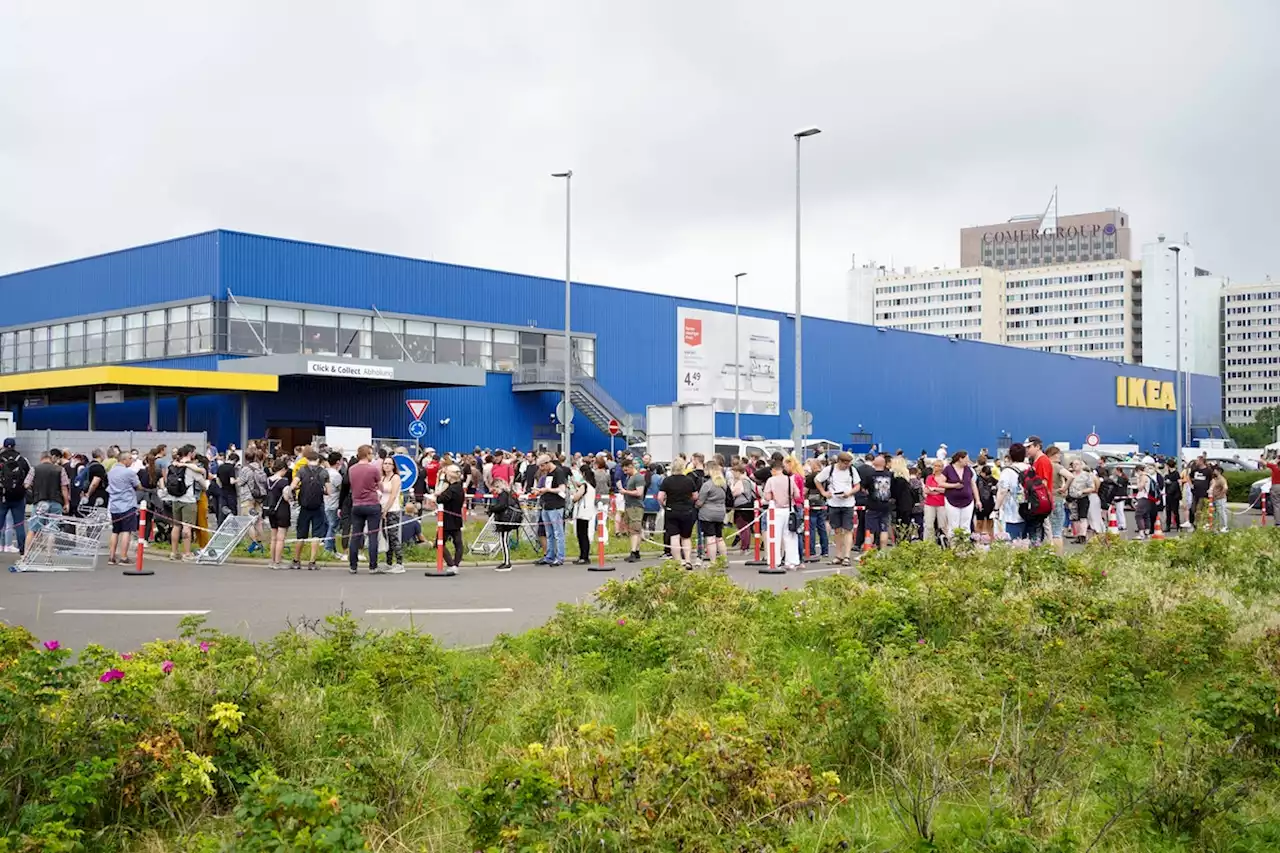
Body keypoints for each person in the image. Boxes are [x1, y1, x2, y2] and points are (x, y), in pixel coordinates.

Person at [164, 445, 206, 562]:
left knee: (176, 526)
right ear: (190, 453)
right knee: (187, 527)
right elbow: (203, 484)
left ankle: (174, 552)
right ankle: (186, 553)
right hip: (188, 500)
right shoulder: (191, 468)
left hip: (175, 499)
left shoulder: (173, 465)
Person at [816, 452, 857, 566]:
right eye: (845, 463)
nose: (847, 465)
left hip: (848, 503)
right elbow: (817, 480)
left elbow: (858, 485)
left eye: (849, 463)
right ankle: (838, 555)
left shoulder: (852, 470)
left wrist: (850, 492)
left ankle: (847, 556)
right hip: (834, 503)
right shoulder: (830, 470)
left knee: (848, 530)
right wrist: (824, 492)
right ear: (839, 461)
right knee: (837, 530)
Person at [289, 449, 327, 570]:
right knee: (316, 535)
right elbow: (329, 491)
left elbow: (293, 485)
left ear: (307, 459)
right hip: (318, 506)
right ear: (318, 460)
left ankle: (296, 560)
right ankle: (312, 562)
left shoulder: (302, 470)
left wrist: (298, 488)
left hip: (304, 506)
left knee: (301, 535)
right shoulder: (323, 472)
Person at [347, 444, 383, 574]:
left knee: (356, 535)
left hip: (357, 504)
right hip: (372, 503)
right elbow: (380, 486)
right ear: (367, 454)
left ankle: (353, 565)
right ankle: (373, 566)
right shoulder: (373, 469)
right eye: (371, 453)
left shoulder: (351, 469)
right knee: (373, 535)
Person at [760, 457, 801, 569]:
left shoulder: (771, 480)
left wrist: (774, 496)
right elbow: (797, 495)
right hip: (789, 510)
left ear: (773, 470)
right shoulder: (789, 480)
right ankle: (791, 562)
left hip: (775, 511)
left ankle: (774, 561)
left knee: (774, 536)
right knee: (790, 536)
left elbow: (767, 497)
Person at [105, 449, 141, 566]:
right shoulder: (129, 473)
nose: (132, 460)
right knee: (127, 531)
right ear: (124, 460)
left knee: (115, 531)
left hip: (114, 505)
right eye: (130, 458)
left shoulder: (111, 472)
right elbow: (138, 486)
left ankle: (111, 556)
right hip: (127, 505)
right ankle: (124, 557)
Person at [658, 462, 697, 569]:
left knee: (674, 537)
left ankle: (678, 561)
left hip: (672, 510)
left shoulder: (667, 480)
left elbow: (660, 497)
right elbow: (695, 496)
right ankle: (688, 560)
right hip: (687, 511)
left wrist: (664, 505)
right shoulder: (689, 480)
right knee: (686, 537)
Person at [530, 455, 567, 567]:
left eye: (542, 466)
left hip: (556, 506)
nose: (541, 469)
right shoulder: (548, 474)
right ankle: (549, 556)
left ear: (547, 463)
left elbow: (562, 489)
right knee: (549, 533)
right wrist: (541, 491)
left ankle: (560, 557)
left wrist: (547, 490)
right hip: (546, 505)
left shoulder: (558, 472)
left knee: (558, 533)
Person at [857, 453, 895, 550]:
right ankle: (883, 551)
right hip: (886, 505)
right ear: (884, 464)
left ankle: (868, 551)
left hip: (872, 505)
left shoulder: (870, 475)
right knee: (884, 529)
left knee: (870, 530)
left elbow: (863, 488)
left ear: (874, 463)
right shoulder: (890, 475)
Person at [995, 442, 1032, 542]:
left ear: (1010, 456)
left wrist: (996, 508)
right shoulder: (1030, 468)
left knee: (1014, 542)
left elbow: (1002, 491)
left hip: (1013, 512)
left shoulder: (1007, 471)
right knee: (1028, 542)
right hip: (1031, 510)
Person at [0, 438, 31, 554]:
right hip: (18, 497)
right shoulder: (22, 460)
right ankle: (22, 550)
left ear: (3, 446)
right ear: (14, 446)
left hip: (1, 497)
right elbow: (29, 476)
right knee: (19, 524)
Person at [695, 460, 728, 567]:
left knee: (710, 538)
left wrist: (696, 506)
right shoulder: (723, 484)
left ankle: (713, 562)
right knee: (719, 537)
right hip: (720, 512)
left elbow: (700, 501)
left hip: (707, 513)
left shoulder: (707, 485)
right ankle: (724, 560)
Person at [235, 449, 267, 556]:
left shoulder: (245, 469)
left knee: (248, 522)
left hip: (247, 497)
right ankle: (262, 543)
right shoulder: (260, 468)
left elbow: (240, 482)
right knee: (258, 521)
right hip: (259, 497)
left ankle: (254, 543)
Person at [937, 450, 976, 539]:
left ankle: (965, 546)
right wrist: (954, 486)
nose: (968, 461)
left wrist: (977, 500)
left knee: (966, 525)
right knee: (953, 525)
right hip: (952, 501)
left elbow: (973, 485)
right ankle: (954, 546)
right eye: (966, 459)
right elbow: (941, 483)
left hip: (968, 501)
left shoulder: (969, 470)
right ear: (960, 459)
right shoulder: (948, 469)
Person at [264, 458, 293, 570]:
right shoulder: (283, 481)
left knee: (273, 537)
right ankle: (278, 562)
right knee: (281, 538)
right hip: (282, 509)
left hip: (271, 510)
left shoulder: (268, 480)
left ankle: (272, 561)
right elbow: (286, 496)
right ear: (283, 469)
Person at [436, 465, 467, 570]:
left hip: (447, 519)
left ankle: (451, 564)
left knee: (439, 542)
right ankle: (456, 563)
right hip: (457, 517)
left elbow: (440, 498)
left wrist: (438, 483)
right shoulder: (459, 487)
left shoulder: (451, 489)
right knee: (458, 542)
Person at [619, 459, 646, 563]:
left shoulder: (638, 477)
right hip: (630, 506)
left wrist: (626, 491)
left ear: (630, 466)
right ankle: (636, 551)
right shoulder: (630, 477)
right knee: (635, 530)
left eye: (626, 470)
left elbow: (639, 492)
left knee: (635, 530)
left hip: (636, 506)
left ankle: (634, 552)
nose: (625, 472)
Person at [490, 478, 520, 571]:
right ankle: (505, 561)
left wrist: (492, 508)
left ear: (498, 487)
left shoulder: (503, 495)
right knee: (503, 541)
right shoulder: (508, 494)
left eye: (494, 489)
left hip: (504, 521)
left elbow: (502, 506)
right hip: (505, 520)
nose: (494, 492)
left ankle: (507, 562)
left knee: (504, 542)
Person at [570, 463, 596, 565]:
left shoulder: (584, 485)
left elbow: (576, 497)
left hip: (582, 512)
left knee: (582, 535)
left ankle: (584, 556)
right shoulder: (591, 486)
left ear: (583, 474)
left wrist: (573, 496)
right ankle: (583, 556)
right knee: (584, 534)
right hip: (588, 512)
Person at [729, 460, 757, 553]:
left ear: (738, 472)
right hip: (745, 505)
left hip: (743, 506)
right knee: (744, 527)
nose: (733, 475)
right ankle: (744, 547)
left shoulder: (742, 481)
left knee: (743, 527)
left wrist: (732, 489)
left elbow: (735, 492)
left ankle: (745, 548)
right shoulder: (747, 480)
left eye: (734, 472)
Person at [805, 458, 830, 558]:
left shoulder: (811, 477)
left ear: (814, 466)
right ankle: (825, 550)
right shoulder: (826, 476)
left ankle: (811, 550)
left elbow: (805, 490)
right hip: (822, 502)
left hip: (812, 503)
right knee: (822, 527)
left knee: (811, 528)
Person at [1067, 459, 1096, 543]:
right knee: (1074, 518)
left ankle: (1083, 535)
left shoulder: (1086, 475)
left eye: (1077, 464)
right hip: (1072, 498)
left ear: (1081, 465)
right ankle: (1077, 536)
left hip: (1083, 498)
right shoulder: (1070, 475)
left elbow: (1092, 487)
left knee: (1083, 517)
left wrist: (1083, 491)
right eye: (1074, 464)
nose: (1075, 466)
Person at [922, 458, 947, 544]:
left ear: (942, 468)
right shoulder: (929, 477)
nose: (937, 468)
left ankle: (944, 542)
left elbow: (946, 490)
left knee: (943, 525)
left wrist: (935, 489)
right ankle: (928, 543)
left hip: (941, 504)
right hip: (930, 503)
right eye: (935, 466)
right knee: (928, 525)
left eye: (939, 466)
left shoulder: (944, 478)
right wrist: (938, 491)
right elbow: (926, 490)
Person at [974, 464, 997, 539]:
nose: (988, 477)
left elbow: (998, 484)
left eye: (989, 476)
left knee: (990, 522)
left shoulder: (991, 478)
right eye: (986, 475)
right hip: (980, 503)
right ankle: (977, 538)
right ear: (982, 473)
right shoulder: (977, 480)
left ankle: (991, 538)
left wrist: (995, 489)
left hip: (990, 504)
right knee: (979, 522)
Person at [1209, 465, 1229, 532]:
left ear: (1219, 471)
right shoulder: (1214, 479)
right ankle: (1216, 526)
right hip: (1214, 499)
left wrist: (1220, 495)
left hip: (1220, 499)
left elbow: (1225, 488)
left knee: (1222, 512)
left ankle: (1225, 526)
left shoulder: (1222, 479)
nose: (1214, 471)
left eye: (1215, 470)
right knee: (1215, 513)